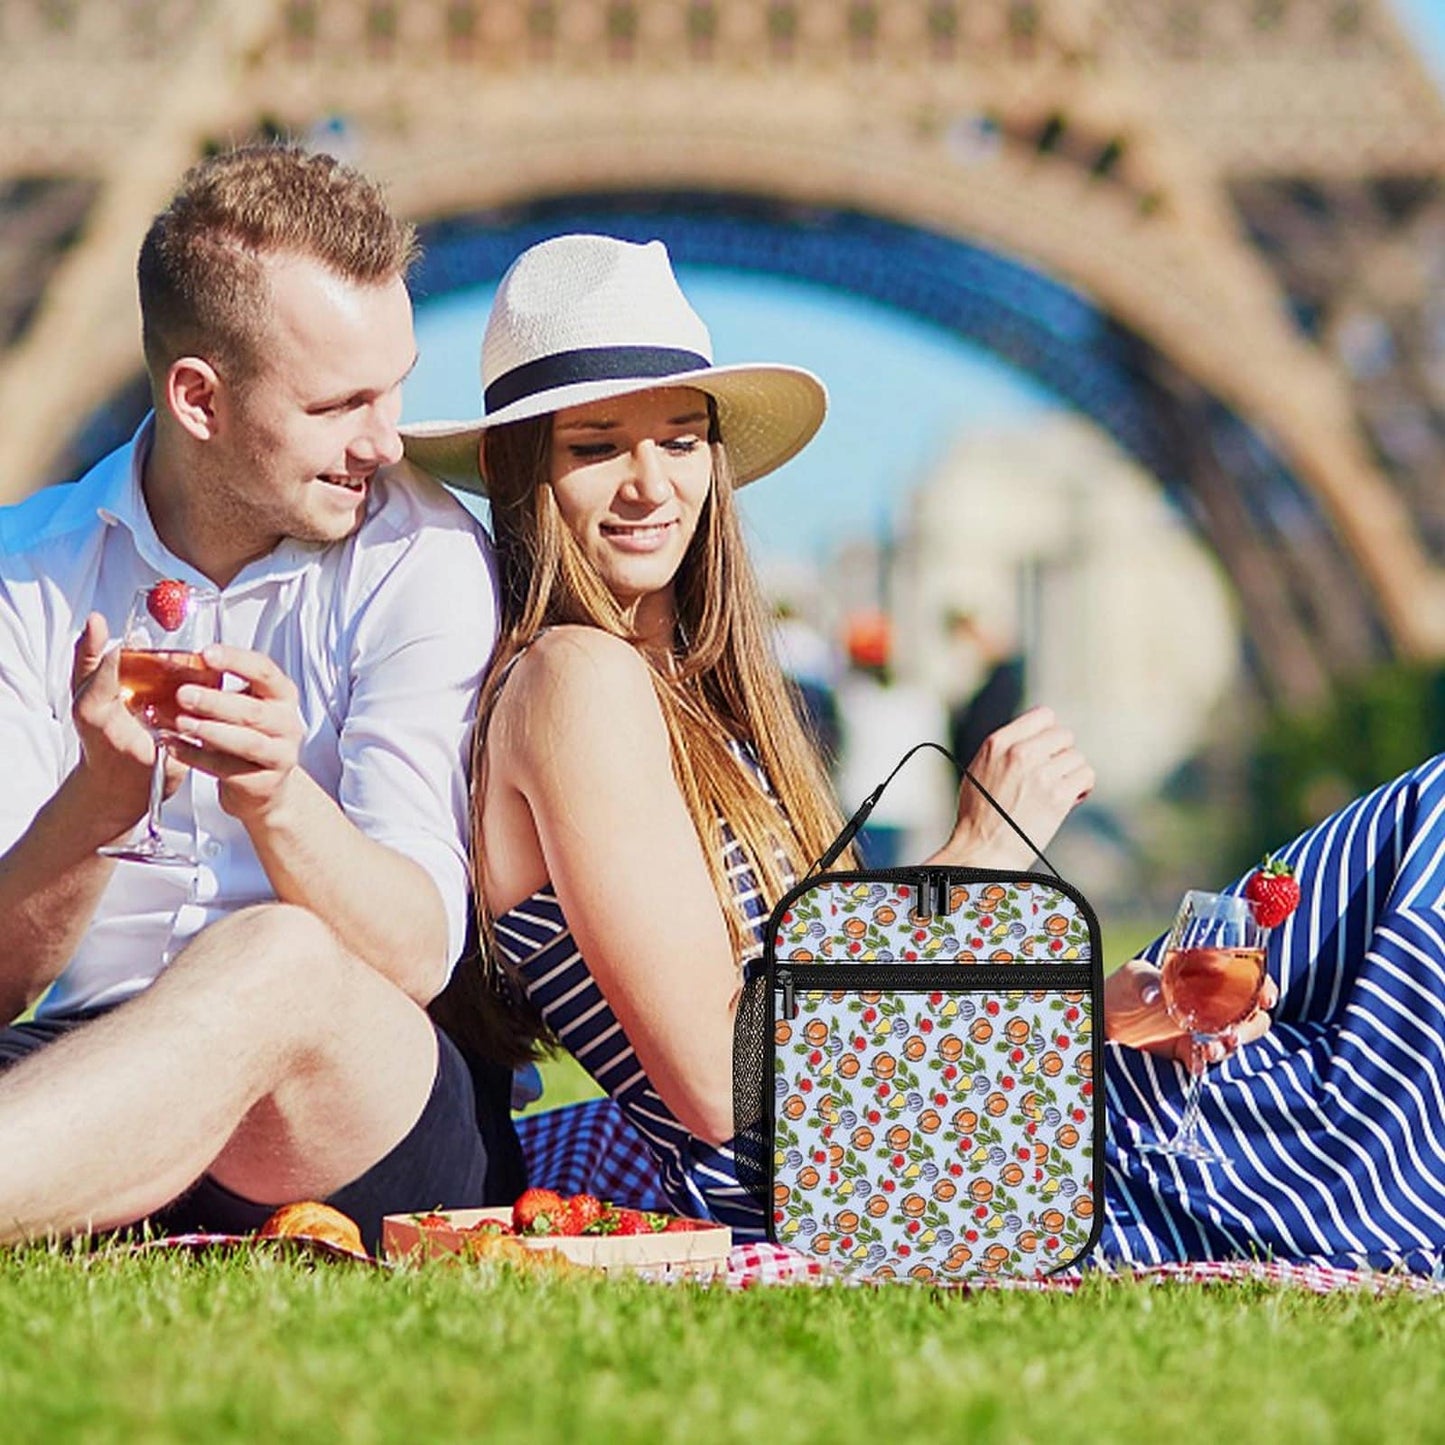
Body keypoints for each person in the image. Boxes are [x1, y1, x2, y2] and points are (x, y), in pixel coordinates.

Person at [399, 234, 1093, 1233]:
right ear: (523, 470)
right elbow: (720, 1086)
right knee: (1399, 861)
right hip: (851, 1182)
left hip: (898, 1142)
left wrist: (1103, 1016)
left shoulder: (696, 699)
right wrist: (967, 863)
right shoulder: (575, 682)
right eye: (595, 446)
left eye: (680, 440)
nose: (650, 484)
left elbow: (854, 1038)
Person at [0, 145, 512, 1253]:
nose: (386, 437)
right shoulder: (22, 570)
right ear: (200, 398)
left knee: (277, 956)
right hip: (92, 1065)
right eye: (340, 403)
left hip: (352, 1100)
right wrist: (96, 807)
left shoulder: (423, 560)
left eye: (395, 384)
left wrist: (279, 798)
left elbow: (418, 951)